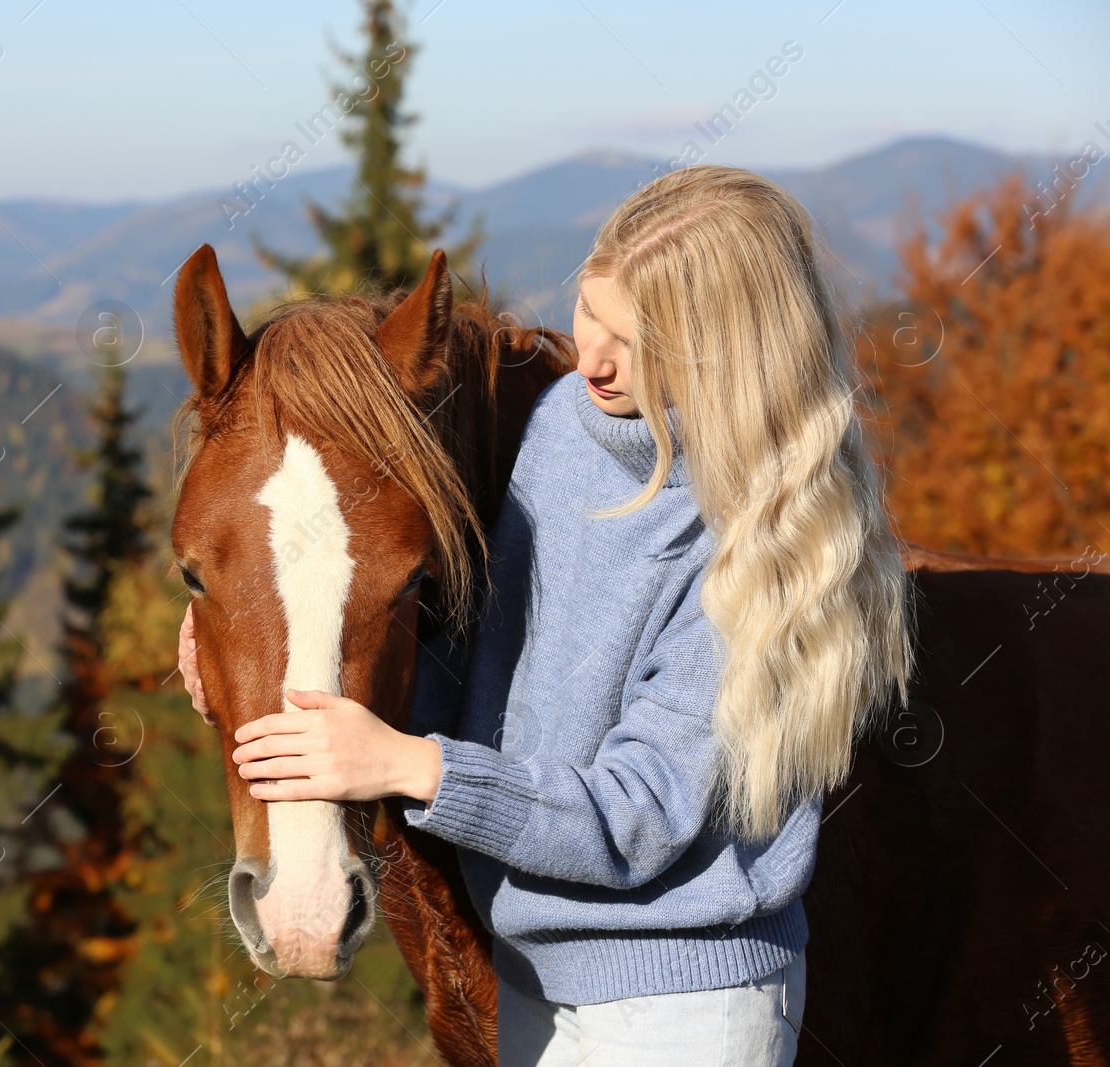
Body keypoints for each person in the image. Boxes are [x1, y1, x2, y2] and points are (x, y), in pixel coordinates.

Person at [177, 165, 912, 1066]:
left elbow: (639, 814)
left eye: (643, 342)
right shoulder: (565, 428)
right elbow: (502, 680)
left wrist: (412, 765)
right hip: (537, 986)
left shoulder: (755, 540)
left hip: (683, 1008)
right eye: (592, 312)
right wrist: (258, 646)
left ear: (731, 349)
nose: (596, 357)